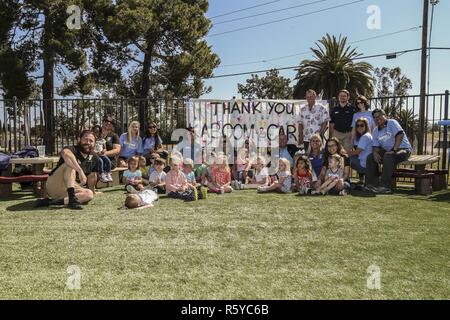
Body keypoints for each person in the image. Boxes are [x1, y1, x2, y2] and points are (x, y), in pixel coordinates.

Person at [35, 130, 99, 210]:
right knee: (70, 165)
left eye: (91, 141)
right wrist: (80, 171)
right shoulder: (71, 149)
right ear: (79, 139)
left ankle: (51, 202)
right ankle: (71, 199)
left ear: (94, 143)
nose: (88, 142)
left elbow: (92, 176)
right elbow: (66, 154)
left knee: (88, 194)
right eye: (85, 139)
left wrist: (93, 191)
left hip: (71, 188)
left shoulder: (94, 157)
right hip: (55, 184)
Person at [364, 109, 412, 194]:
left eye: (378, 116)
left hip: (403, 150)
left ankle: (385, 187)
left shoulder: (391, 122)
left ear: (384, 115)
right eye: (374, 118)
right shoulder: (375, 131)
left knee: (388, 156)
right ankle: (370, 185)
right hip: (388, 152)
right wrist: (375, 153)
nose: (377, 119)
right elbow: (376, 146)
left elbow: (400, 135)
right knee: (370, 157)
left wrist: (394, 150)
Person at [347, 118, 373, 183]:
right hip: (366, 163)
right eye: (357, 126)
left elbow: (357, 151)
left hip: (364, 165)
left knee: (345, 158)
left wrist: (344, 154)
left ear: (366, 126)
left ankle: (345, 178)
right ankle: (361, 179)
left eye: (362, 125)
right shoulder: (365, 136)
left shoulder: (365, 137)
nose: (359, 127)